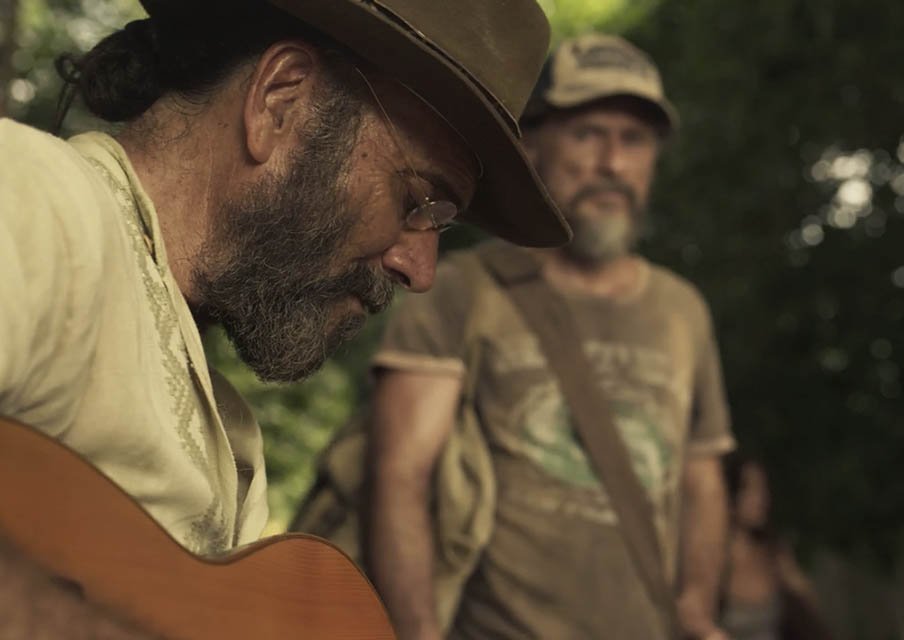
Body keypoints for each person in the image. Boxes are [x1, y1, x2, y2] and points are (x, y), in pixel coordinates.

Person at [0, 0, 570, 636]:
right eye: (417, 202)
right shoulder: (38, 200)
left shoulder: (232, 438)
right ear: (280, 102)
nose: (421, 268)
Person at [364, 33, 736, 640]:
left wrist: (695, 609)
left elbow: (703, 478)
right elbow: (401, 477)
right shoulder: (458, 289)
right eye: (588, 134)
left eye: (634, 140)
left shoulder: (683, 310)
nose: (613, 164)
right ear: (531, 144)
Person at [719, 454, 834, 640]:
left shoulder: (773, 553)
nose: (762, 499)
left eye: (763, 489)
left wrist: (794, 583)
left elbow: (808, 612)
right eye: (751, 490)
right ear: (731, 495)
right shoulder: (714, 561)